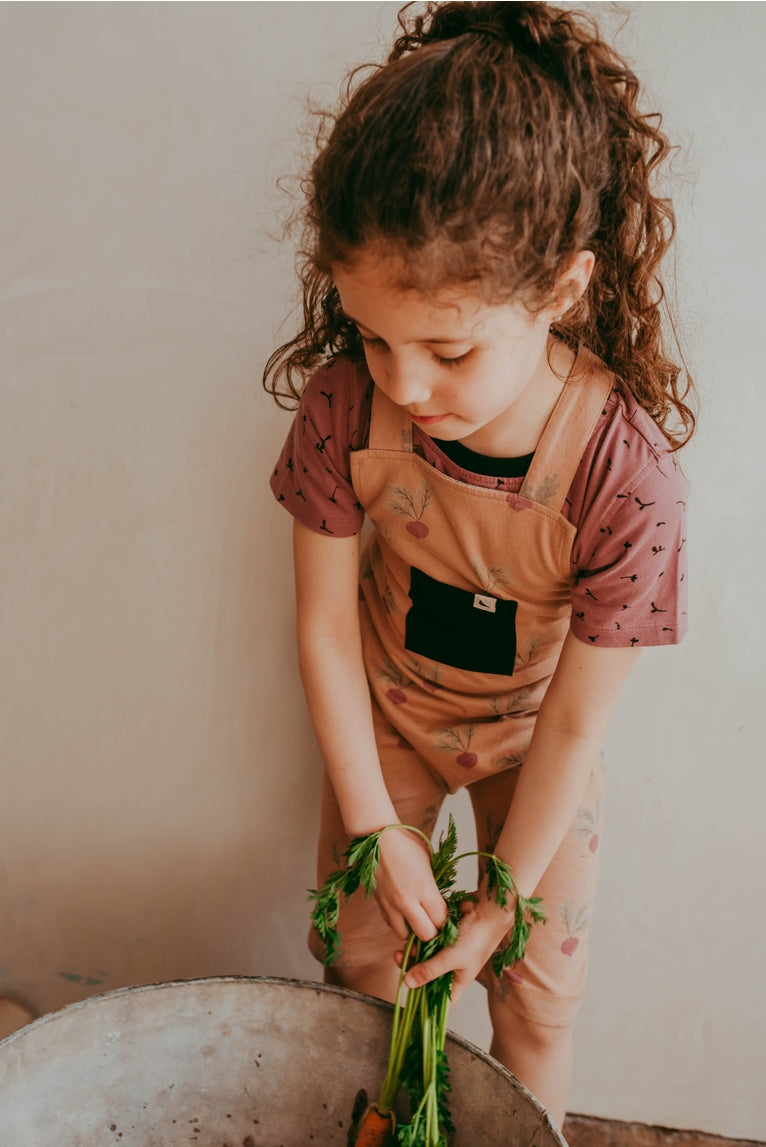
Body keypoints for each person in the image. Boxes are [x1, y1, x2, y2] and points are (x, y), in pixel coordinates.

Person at [265, 0, 695, 1127]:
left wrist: (501, 899)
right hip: (386, 725)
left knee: (538, 1007)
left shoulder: (623, 477)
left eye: (448, 348)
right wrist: (377, 828)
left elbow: (574, 722)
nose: (403, 385)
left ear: (558, 291)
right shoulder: (343, 410)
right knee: (365, 975)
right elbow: (321, 629)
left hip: (531, 749)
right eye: (371, 335)